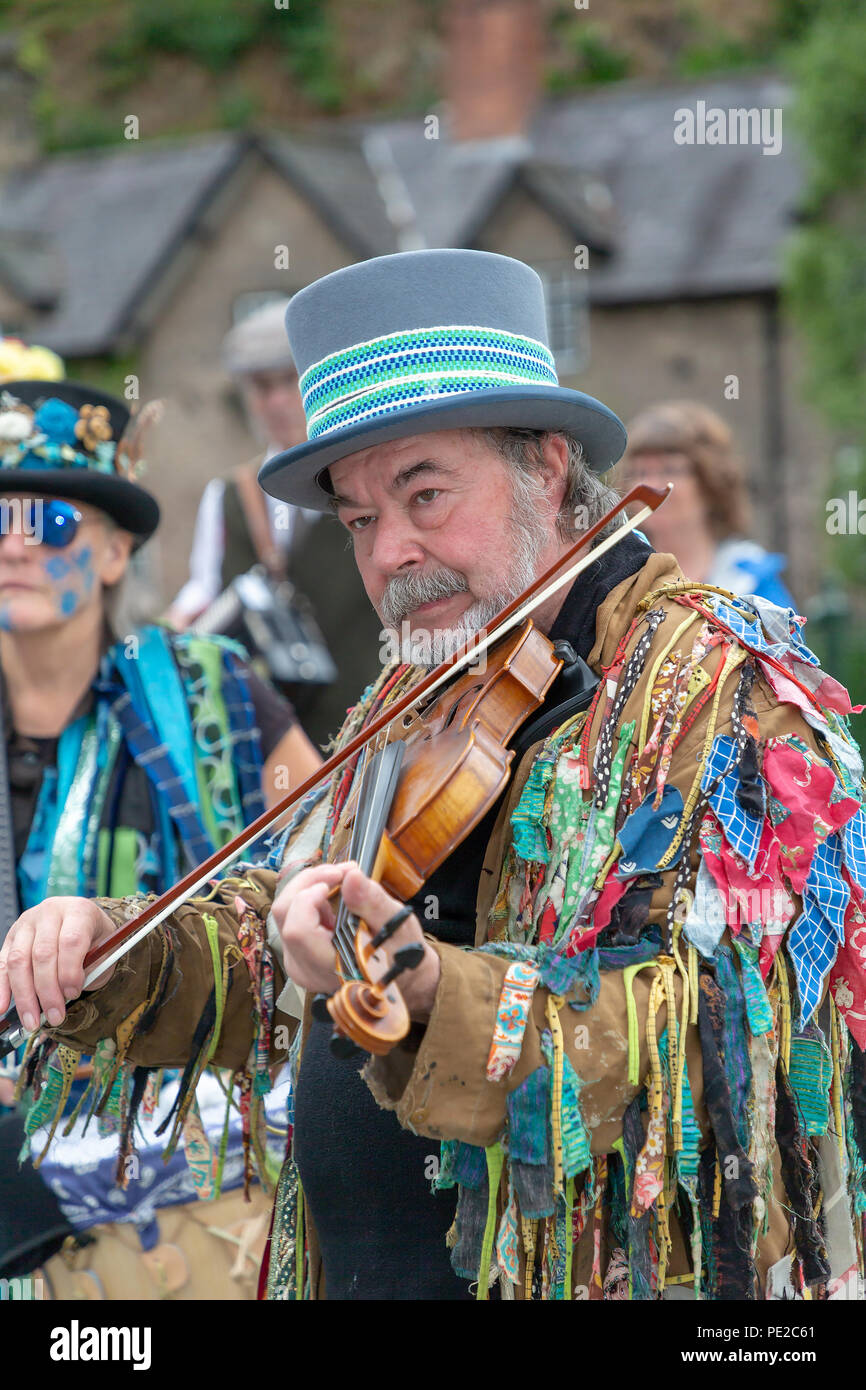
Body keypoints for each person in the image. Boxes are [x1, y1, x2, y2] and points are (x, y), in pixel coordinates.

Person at [2, 250, 865, 1302]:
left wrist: (427, 993)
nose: (390, 553)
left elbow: (729, 1046)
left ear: (546, 467)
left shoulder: (723, 690)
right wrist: (123, 949)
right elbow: (294, 927)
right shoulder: (417, 686)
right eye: (360, 519)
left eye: (423, 494)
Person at [0, 376, 320, 1298]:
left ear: (113, 551)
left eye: (52, 524)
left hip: (186, 1191)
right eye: (0, 522)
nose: (17, 546)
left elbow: (321, 852)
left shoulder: (215, 689)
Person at [167, 298, 383, 750]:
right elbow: (203, 590)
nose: (279, 401)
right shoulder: (226, 495)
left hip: (375, 724)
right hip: (274, 742)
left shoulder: (372, 484)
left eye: (291, 381)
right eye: (263, 387)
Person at [619, 400, 796, 608]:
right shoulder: (618, 579)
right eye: (639, 473)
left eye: (669, 470)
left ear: (710, 483)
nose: (650, 485)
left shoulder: (752, 583)